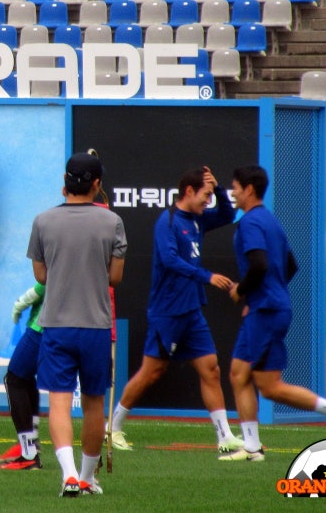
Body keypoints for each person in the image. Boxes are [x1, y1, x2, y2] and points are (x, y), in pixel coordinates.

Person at [219, 165, 326, 462]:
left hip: (266, 309)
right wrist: (266, 292)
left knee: (258, 382)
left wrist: (242, 291)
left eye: (234, 186)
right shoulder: (270, 220)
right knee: (249, 378)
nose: (231, 192)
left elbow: (258, 265)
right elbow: (291, 265)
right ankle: (254, 447)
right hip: (271, 306)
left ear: (248, 189)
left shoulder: (250, 223)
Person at [110, 166, 243, 454]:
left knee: (210, 369)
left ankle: (224, 438)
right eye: (205, 195)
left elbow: (228, 215)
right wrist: (205, 276)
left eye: (210, 196)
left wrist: (218, 188)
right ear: (188, 192)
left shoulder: (198, 220)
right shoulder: (168, 221)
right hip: (167, 311)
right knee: (151, 372)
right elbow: (170, 260)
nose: (208, 201)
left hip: (192, 310)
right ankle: (114, 427)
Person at [29, 151, 125, 497]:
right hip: (96, 325)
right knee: (94, 403)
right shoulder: (112, 222)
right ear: (96, 184)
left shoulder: (43, 221)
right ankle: (87, 477)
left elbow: (40, 274)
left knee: (58, 401)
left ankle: (68, 475)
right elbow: (115, 277)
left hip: (56, 324)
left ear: (65, 182)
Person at [0, 281, 45, 470]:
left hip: (41, 328)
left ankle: (29, 454)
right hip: (58, 326)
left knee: (14, 379)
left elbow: (45, 283)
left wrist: (20, 303)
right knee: (24, 379)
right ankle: (31, 443)